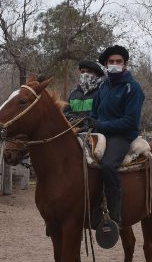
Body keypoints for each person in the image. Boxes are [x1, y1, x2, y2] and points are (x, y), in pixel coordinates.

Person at [89, 45, 145, 228]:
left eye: (118, 62)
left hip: (122, 136)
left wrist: (102, 125)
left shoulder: (133, 88)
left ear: (125, 64)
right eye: (111, 62)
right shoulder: (103, 86)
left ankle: (114, 213)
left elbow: (130, 121)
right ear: (106, 64)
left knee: (107, 165)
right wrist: (92, 122)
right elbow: (94, 112)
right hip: (100, 134)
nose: (114, 64)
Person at [62, 59, 106, 124]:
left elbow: (104, 115)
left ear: (97, 74)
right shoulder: (73, 93)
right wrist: (73, 119)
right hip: (75, 130)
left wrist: (89, 123)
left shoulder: (102, 92)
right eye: (83, 72)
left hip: (95, 132)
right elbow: (66, 112)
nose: (85, 74)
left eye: (89, 71)